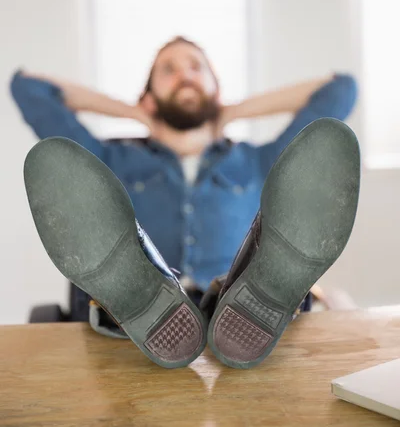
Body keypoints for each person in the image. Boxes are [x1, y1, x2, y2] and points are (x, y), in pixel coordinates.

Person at [10, 36, 358, 357]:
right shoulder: (112, 161)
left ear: (216, 91)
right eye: (168, 70)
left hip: (235, 304)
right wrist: (133, 112)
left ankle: (256, 299)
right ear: (149, 97)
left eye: (196, 67)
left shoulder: (257, 161)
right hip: (138, 318)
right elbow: (28, 88)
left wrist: (234, 110)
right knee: (134, 284)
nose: (184, 75)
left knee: (242, 291)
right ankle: (146, 301)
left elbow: (340, 90)